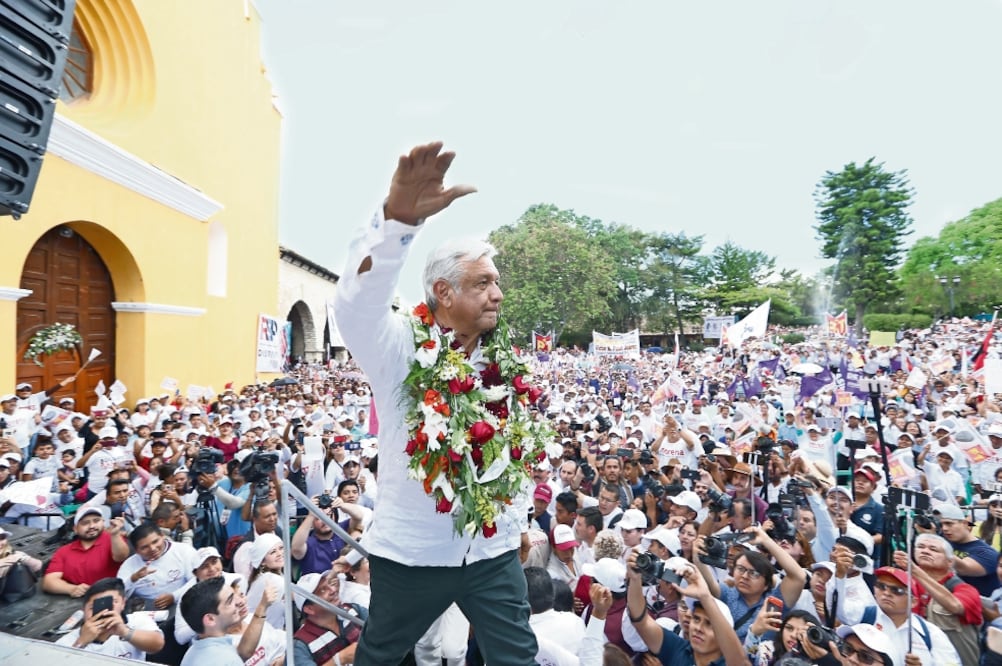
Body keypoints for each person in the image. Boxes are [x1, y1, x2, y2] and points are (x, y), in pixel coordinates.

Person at [332, 142, 536, 665]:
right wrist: (396, 223)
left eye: (497, 282)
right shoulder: (399, 347)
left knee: (517, 657)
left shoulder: (502, 362)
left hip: (491, 553)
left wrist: (514, 524)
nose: (498, 294)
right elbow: (355, 306)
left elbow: (508, 454)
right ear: (443, 293)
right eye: (484, 283)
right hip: (412, 556)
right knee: (380, 657)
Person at [55, 576, 165, 660]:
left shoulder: (137, 620)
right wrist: (81, 643)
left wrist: (124, 632)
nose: (104, 611)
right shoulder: (67, 641)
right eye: (94, 607)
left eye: (113, 603)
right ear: (84, 609)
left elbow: (157, 645)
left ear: (123, 603)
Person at [43, 505, 129, 595]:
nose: (92, 526)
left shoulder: (113, 539)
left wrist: (115, 535)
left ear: (103, 522)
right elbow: (49, 582)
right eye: (85, 523)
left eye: (96, 521)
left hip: (114, 596)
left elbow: (121, 556)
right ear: (75, 529)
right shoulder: (63, 551)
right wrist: (71, 589)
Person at [292, 569, 367, 666]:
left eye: (330, 584)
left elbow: (383, 632)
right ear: (309, 609)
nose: (333, 590)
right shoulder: (300, 645)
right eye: (323, 590)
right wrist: (339, 659)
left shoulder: (354, 610)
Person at [178, 576, 245, 666]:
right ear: (210, 619)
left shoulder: (190, 654)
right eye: (230, 601)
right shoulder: (230, 661)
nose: (239, 602)